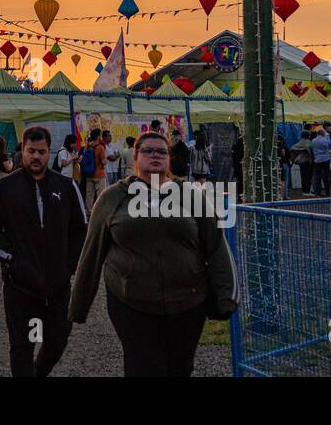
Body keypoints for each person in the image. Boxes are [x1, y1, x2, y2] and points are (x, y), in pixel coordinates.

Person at [70, 130, 238, 377]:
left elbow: (216, 245)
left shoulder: (190, 194)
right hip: (132, 305)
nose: (155, 155)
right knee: (143, 368)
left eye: (161, 151)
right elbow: (91, 253)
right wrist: (78, 305)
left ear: (169, 159)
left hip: (187, 304)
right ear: (135, 157)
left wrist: (226, 296)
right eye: (147, 151)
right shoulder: (112, 198)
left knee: (179, 368)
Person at [0, 126, 87, 377]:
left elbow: (80, 230)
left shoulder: (66, 186)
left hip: (58, 286)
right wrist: (14, 261)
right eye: (31, 151)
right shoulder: (5, 188)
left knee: (57, 339)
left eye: (41, 152)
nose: (36, 157)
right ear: (23, 150)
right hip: (21, 286)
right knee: (22, 345)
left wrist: (69, 266)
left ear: (49, 152)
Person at [79, 129, 103, 209]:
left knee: (89, 195)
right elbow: (103, 161)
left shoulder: (87, 146)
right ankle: (99, 212)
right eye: (100, 135)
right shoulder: (100, 147)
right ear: (98, 136)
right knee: (100, 194)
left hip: (88, 174)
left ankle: (89, 211)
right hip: (99, 174)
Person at [289, 131, 314, 198]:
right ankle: (307, 191)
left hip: (301, 162)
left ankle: (304, 191)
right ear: (308, 135)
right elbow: (311, 151)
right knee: (308, 177)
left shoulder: (300, 142)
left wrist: (297, 153)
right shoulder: (309, 142)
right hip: (308, 162)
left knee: (303, 177)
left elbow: (292, 148)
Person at [309, 126, 331, 196]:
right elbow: (329, 150)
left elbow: (311, 150)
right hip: (326, 159)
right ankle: (327, 192)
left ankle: (317, 192)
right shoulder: (326, 141)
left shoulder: (313, 141)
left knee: (317, 177)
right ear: (323, 134)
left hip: (317, 160)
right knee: (326, 177)